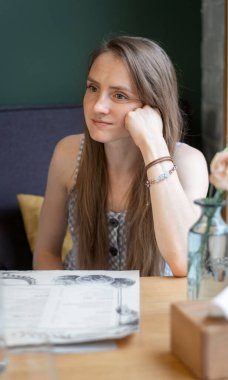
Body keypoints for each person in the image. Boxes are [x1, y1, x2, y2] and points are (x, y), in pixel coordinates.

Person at [33, 35, 209, 276]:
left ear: (152, 106)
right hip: (77, 304)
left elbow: (184, 263)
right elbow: (45, 252)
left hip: (153, 309)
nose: (97, 106)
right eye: (93, 88)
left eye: (119, 95)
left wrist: (153, 146)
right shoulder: (68, 153)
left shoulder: (188, 162)